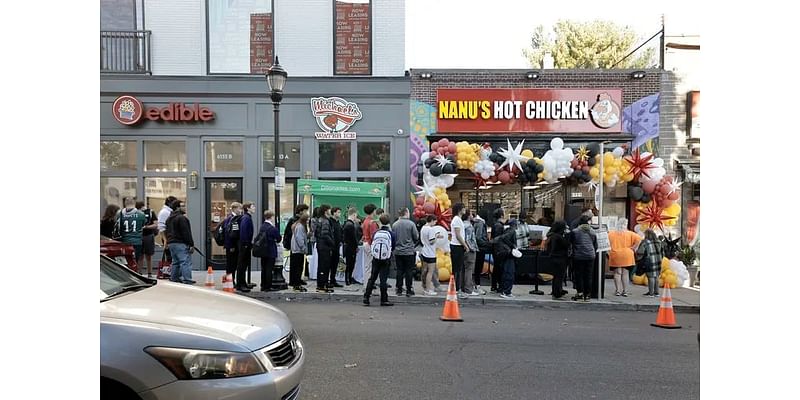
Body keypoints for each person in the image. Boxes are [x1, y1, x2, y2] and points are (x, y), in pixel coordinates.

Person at [363, 213, 396, 307]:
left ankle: (366, 297)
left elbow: (373, 242)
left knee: (372, 277)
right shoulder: (391, 233)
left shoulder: (376, 233)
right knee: (383, 279)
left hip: (376, 258)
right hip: (386, 259)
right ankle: (384, 300)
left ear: (380, 222)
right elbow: (393, 246)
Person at [608, 218, 642, 297]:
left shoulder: (611, 233)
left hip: (615, 254)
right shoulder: (630, 233)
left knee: (617, 273)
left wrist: (608, 251)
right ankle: (625, 291)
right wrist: (633, 247)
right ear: (625, 225)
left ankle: (617, 291)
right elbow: (639, 239)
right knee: (625, 273)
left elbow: (607, 242)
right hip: (627, 254)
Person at [165, 200, 195, 284]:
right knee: (185, 262)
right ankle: (187, 279)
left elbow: (166, 231)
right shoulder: (182, 218)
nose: (185, 207)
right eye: (182, 206)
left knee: (175, 262)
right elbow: (186, 232)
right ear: (177, 208)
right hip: (180, 243)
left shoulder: (169, 219)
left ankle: (174, 278)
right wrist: (191, 244)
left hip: (171, 243)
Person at [392, 207, 419, 297]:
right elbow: (416, 237)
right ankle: (409, 289)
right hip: (409, 251)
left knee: (399, 270)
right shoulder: (411, 224)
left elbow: (393, 238)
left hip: (398, 251)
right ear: (406, 213)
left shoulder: (395, 225)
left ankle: (399, 289)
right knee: (409, 270)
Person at [570, 214, 597, 302]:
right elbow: (595, 244)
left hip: (578, 255)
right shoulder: (593, 231)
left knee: (579, 275)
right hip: (590, 255)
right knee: (588, 275)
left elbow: (572, 243)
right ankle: (587, 295)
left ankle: (580, 293)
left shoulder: (575, 231)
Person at [283, 204, 310, 285]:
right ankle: (294, 280)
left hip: (297, 245)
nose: (306, 212)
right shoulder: (295, 220)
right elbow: (290, 233)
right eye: (305, 210)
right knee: (295, 264)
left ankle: (298, 279)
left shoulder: (301, 220)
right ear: (301, 211)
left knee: (300, 264)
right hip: (295, 245)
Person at [257, 210, 282, 292]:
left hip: (263, 250)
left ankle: (263, 285)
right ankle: (268, 286)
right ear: (271, 217)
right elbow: (278, 238)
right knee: (269, 269)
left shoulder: (262, 226)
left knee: (263, 268)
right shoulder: (272, 228)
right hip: (270, 250)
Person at [544, 221, 570, 300]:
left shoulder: (552, 236)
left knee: (556, 277)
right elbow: (566, 244)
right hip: (560, 258)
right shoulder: (558, 237)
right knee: (559, 277)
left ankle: (557, 290)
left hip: (554, 258)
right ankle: (557, 293)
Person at [636, 229, 664, 297]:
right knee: (656, 276)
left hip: (649, 261)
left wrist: (638, 258)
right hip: (658, 261)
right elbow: (662, 252)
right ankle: (656, 292)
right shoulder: (658, 242)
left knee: (650, 277)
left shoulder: (645, 242)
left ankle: (651, 293)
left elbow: (640, 252)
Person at [118, 197, 147, 264]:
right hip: (137, 241)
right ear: (134, 203)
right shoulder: (141, 214)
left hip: (124, 241)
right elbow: (143, 225)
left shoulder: (120, 214)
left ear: (125, 203)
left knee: (125, 262)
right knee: (135, 261)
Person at [449, 203, 469, 297]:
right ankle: (457, 289)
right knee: (457, 269)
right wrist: (465, 245)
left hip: (457, 246)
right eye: (463, 208)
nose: (465, 209)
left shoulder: (458, 219)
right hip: (457, 246)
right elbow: (458, 235)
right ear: (459, 209)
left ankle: (457, 288)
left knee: (458, 268)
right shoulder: (456, 220)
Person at [315, 205, 336, 293]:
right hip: (324, 246)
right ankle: (322, 285)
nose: (330, 211)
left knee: (321, 266)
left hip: (321, 245)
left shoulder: (320, 220)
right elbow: (325, 234)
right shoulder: (325, 222)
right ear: (325, 211)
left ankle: (321, 284)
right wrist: (332, 243)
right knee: (324, 266)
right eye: (329, 210)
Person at [418, 215, 441, 296]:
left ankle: (425, 287)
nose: (435, 223)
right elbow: (432, 241)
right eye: (435, 221)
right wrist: (436, 236)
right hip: (430, 253)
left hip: (424, 251)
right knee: (430, 272)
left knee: (425, 270)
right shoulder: (430, 229)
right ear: (431, 220)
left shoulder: (423, 228)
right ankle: (428, 289)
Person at [235, 201, 255, 292]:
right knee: (242, 265)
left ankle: (243, 282)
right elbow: (243, 232)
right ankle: (240, 284)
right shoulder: (246, 218)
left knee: (244, 264)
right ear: (248, 208)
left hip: (245, 244)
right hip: (244, 244)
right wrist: (246, 244)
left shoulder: (247, 217)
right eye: (252, 206)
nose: (254, 208)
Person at [222, 202, 243, 288]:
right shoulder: (231, 219)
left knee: (232, 264)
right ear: (234, 209)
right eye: (239, 208)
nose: (241, 211)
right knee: (231, 265)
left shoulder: (232, 218)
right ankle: (230, 281)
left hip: (232, 245)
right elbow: (229, 234)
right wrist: (231, 246)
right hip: (231, 246)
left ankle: (230, 280)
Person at [137, 201, 158, 277]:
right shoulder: (149, 212)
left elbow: (156, 224)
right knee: (142, 255)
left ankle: (148, 273)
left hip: (147, 235)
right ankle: (141, 273)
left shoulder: (150, 212)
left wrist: (146, 227)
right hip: (143, 235)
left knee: (146, 255)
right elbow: (155, 224)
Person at [462, 210, 481, 296]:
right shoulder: (469, 227)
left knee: (465, 269)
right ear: (468, 216)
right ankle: (468, 289)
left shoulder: (462, 224)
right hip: (470, 250)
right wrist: (472, 248)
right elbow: (468, 239)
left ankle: (464, 287)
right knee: (469, 270)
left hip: (463, 250)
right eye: (471, 214)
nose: (473, 215)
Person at [290, 214, 309, 292]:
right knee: (298, 268)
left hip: (295, 250)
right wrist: (304, 248)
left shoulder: (296, 225)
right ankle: (297, 285)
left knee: (295, 268)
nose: (308, 222)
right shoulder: (300, 227)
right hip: (298, 250)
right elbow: (300, 239)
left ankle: (296, 284)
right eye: (307, 220)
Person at [472, 210, 491, 293]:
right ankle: (477, 285)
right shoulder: (480, 223)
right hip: (480, 248)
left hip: (478, 248)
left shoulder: (476, 222)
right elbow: (478, 237)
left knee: (477, 267)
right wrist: (487, 243)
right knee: (478, 267)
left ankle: (476, 285)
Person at [361, 204, 379, 287]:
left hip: (365, 242)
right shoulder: (372, 222)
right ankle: (368, 285)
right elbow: (373, 236)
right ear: (373, 211)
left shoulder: (365, 221)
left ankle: (366, 284)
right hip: (370, 244)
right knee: (370, 266)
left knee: (367, 265)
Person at [342, 207, 361, 286]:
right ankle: (348, 279)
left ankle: (348, 278)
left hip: (348, 246)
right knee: (350, 264)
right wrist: (356, 246)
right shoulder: (350, 225)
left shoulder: (347, 224)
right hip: (350, 247)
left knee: (349, 264)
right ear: (354, 214)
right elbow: (353, 238)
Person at [157, 196, 178, 264]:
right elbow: (161, 227)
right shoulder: (164, 212)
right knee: (170, 257)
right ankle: (170, 272)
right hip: (168, 238)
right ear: (170, 203)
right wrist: (165, 240)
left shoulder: (171, 212)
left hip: (172, 237)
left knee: (174, 258)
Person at [490, 208, 507, 293]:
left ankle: (494, 285)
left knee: (496, 268)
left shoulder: (496, 224)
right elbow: (498, 239)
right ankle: (498, 285)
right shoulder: (499, 225)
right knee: (498, 268)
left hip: (496, 249)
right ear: (501, 215)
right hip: (498, 250)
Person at [328, 207, 344, 288]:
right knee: (330, 264)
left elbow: (340, 233)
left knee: (335, 264)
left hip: (337, 246)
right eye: (338, 212)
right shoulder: (330, 222)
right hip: (331, 246)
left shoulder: (338, 223)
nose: (339, 214)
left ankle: (333, 280)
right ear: (334, 213)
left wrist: (341, 240)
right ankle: (328, 280)